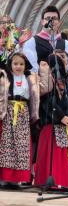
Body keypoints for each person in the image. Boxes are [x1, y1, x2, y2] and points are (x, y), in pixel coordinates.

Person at [34, 54, 68, 188]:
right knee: (53, 155)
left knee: (65, 154)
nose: (66, 64)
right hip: (51, 123)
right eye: (63, 62)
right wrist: (61, 117)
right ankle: (53, 182)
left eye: (66, 61)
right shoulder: (46, 81)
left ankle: (66, 182)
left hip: (67, 124)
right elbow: (46, 102)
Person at [0, 52, 39, 184]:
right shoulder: (4, 77)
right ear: (10, 64)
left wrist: (44, 71)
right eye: (15, 63)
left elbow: (45, 88)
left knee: (22, 146)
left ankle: (18, 179)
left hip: (23, 112)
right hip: (9, 112)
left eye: (21, 64)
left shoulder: (30, 78)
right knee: (7, 145)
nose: (18, 66)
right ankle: (5, 178)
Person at [22, 6, 68, 73]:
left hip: (61, 81)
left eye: (54, 18)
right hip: (41, 81)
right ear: (42, 21)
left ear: (59, 22)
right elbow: (32, 68)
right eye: (48, 18)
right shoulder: (32, 42)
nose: (51, 21)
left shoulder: (66, 44)